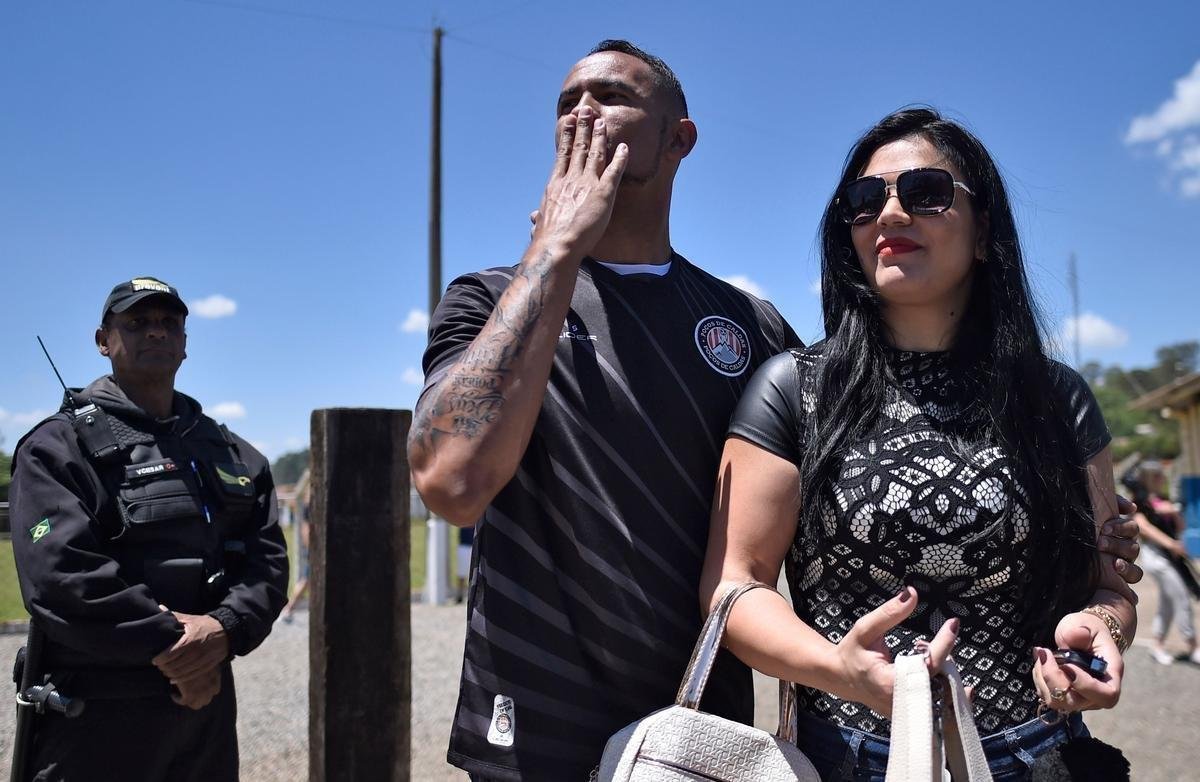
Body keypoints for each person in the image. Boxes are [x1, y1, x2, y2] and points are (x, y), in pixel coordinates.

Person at [701, 109, 1140, 780]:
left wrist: (1101, 633)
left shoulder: (1056, 398)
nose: (892, 214)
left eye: (926, 192)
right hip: (850, 758)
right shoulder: (794, 389)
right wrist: (838, 670)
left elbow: (1110, 586)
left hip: (1037, 755)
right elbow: (735, 584)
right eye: (865, 200)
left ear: (985, 229)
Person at [408, 40, 804, 780]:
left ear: (679, 138)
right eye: (566, 102)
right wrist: (555, 248)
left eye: (612, 95)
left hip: (693, 733)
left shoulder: (750, 325)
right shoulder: (488, 298)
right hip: (529, 724)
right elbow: (451, 485)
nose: (582, 112)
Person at [9, 276, 289, 781]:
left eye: (169, 322)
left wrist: (223, 631)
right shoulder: (56, 448)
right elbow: (61, 575)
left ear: (184, 342)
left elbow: (267, 563)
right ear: (103, 341)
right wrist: (180, 647)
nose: (155, 332)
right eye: (137, 322)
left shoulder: (232, 454)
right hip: (95, 714)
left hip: (204, 709)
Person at [1123, 460, 1199, 665]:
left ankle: (1157, 644)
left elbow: (1180, 527)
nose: (1162, 479)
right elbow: (1144, 527)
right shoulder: (1140, 501)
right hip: (1156, 557)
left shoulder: (1163, 499)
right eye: (1158, 476)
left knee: (1168, 603)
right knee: (1181, 598)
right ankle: (1193, 646)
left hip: (1171, 557)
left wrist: (1174, 513)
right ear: (1149, 478)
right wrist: (1171, 544)